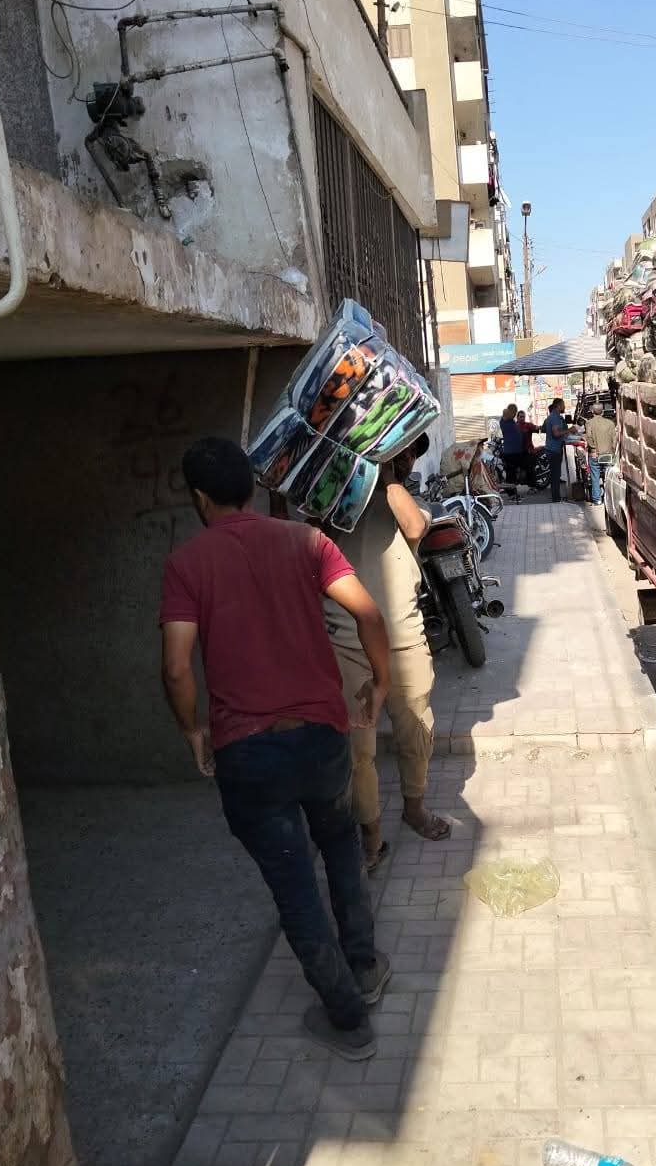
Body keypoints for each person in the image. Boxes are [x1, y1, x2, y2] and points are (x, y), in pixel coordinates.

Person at [159, 437, 392, 1062]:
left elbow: (177, 668)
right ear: (253, 487)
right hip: (322, 738)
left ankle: (348, 1019)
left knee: (294, 885)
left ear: (200, 499)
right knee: (340, 846)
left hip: (249, 754)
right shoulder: (307, 542)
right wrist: (380, 682)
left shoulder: (186, 564)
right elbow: (369, 615)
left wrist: (192, 730)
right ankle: (365, 966)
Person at [325, 433, 450, 876]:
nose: (407, 457)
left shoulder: (405, 502)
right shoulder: (336, 501)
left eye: (411, 452)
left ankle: (414, 808)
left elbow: (415, 528)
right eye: (401, 450)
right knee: (358, 750)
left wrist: (386, 474)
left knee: (415, 730)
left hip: (404, 640)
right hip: (347, 643)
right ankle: (371, 835)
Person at [584, 401, 617, 506]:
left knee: (595, 477)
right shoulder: (610, 423)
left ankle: (597, 499)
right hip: (608, 455)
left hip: (595, 455)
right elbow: (614, 440)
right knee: (609, 477)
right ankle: (610, 498)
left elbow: (589, 437)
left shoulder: (589, 423)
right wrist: (612, 452)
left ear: (592, 412)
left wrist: (593, 449)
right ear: (602, 412)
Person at [543, 397, 568, 503]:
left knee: (556, 475)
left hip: (553, 449)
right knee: (555, 475)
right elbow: (556, 434)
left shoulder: (554, 417)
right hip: (553, 450)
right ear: (558, 406)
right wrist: (569, 430)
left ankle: (556, 497)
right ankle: (556, 499)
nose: (564, 407)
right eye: (563, 405)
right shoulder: (555, 417)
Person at [499, 403, 524, 488]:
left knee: (514, 473)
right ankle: (511, 493)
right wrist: (510, 411)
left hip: (516, 452)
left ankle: (512, 490)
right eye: (514, 412)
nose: (514, 414)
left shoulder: (512, 421)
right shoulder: (504, 421)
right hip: (510, 452)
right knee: (511, 474)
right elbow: (505, 412)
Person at [516, 409, 540, 487]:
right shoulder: (514, 426)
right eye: (520, 417)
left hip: (528, 450)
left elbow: (536, 428)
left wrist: (538, 427)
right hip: (518, 451)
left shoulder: (528, 425)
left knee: (530, 468)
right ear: (517, 417)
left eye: (523, 417)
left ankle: (533, 487)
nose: (522, 418)